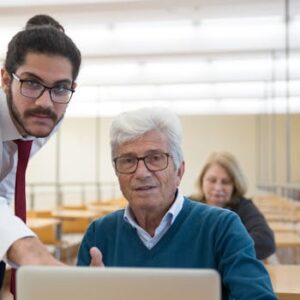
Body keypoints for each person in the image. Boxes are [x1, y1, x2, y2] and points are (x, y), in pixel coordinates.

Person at [77, 107, 277, 300]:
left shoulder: (223, 228)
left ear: (179, 171)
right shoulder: (98, 234)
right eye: (128, 161)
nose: (141, 173)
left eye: (155, 158)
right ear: (117, 173)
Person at [0, 15, 81, 292]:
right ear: (4, 78)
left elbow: (6, 185)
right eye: (31, 83)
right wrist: (25, 247)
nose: (44, 103)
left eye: (60, 87)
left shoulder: (48, 117)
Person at [192, 151, 276, 261]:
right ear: (202, 181)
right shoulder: (189, 205)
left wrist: (214, 249)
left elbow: (266, 242)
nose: (218, 188)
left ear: (235, 185)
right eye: (212, 180)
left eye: (225, 182)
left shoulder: (244, 207)